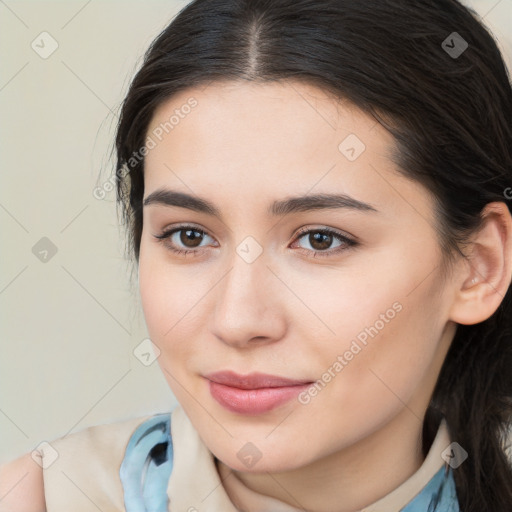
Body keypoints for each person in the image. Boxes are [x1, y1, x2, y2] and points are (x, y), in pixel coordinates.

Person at [2, 0, 512, 510]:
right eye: (189, 236)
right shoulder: (36, 499)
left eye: (320, 239)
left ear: (478, 267)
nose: (238, 320)